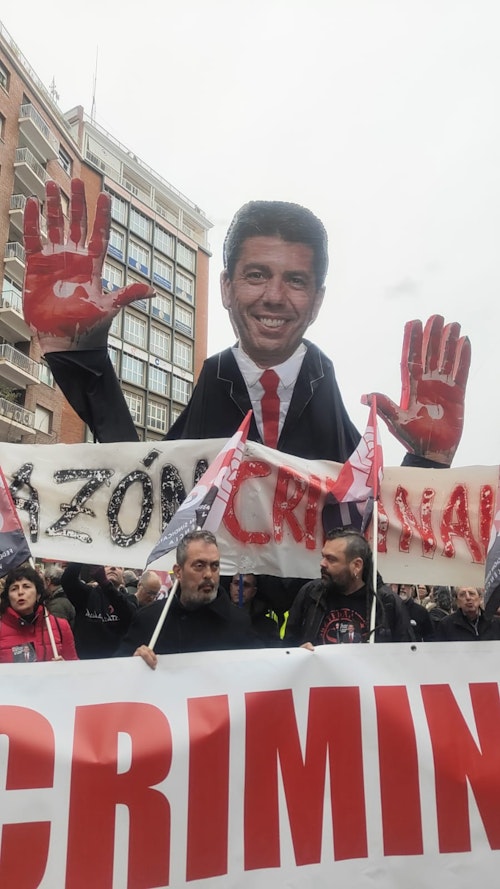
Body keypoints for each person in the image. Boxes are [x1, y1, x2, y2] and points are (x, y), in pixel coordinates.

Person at [23, 180, 470, 469]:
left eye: (296, 281)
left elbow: (370, 524)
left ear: (317, 301)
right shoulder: (216, 378)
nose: (274, 297)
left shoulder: (325, 383)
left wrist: (427, 460)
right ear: (226, 287)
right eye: (257, 275)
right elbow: (148, 482)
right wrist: (79, 354)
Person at [116, 530, 258, 667]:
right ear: (178, 572)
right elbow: (115, 674)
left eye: (215, 566)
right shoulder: (149, 619)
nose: (209, 574)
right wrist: (133, 663)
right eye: (199, 566)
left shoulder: (238, 623)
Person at [284, 528, 412, 646]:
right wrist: (299, 653)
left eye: (331, 559)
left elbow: (405, 656)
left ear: (356, 565)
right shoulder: (311, 594)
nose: (322, 563)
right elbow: (287, 646)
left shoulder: (386, 602)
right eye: (323, 556)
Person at [0, 566, 78, 662]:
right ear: (8, 597)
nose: (20, 592)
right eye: (14, 589)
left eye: (26, 586)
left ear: (38, 593)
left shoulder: (61, 626)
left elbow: (74, 665)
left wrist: (64, 667)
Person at [61, 563, 135, 658]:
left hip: (115, 663)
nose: (113, 568)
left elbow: (129, 613)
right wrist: (81, 558)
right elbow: (68, 580)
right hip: (86, 662)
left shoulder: (130, 599)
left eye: (119, 567)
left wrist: (105, 584)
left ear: (123, 578)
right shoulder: (87, 594)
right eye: (107, 565)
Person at [228, 572, 280, 644]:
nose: (240, 589)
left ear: (254, 591)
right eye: (236, 584)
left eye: (246, 585)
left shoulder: (268, 625)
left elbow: (276, 651)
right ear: (230, 587)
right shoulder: (217, 619)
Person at [434, 587, 500, 641]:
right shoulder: (446, 624)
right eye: (462, 595)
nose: (468, 598)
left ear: (480, 598)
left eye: (472, 594)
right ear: (457, 601)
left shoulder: (496, 622)